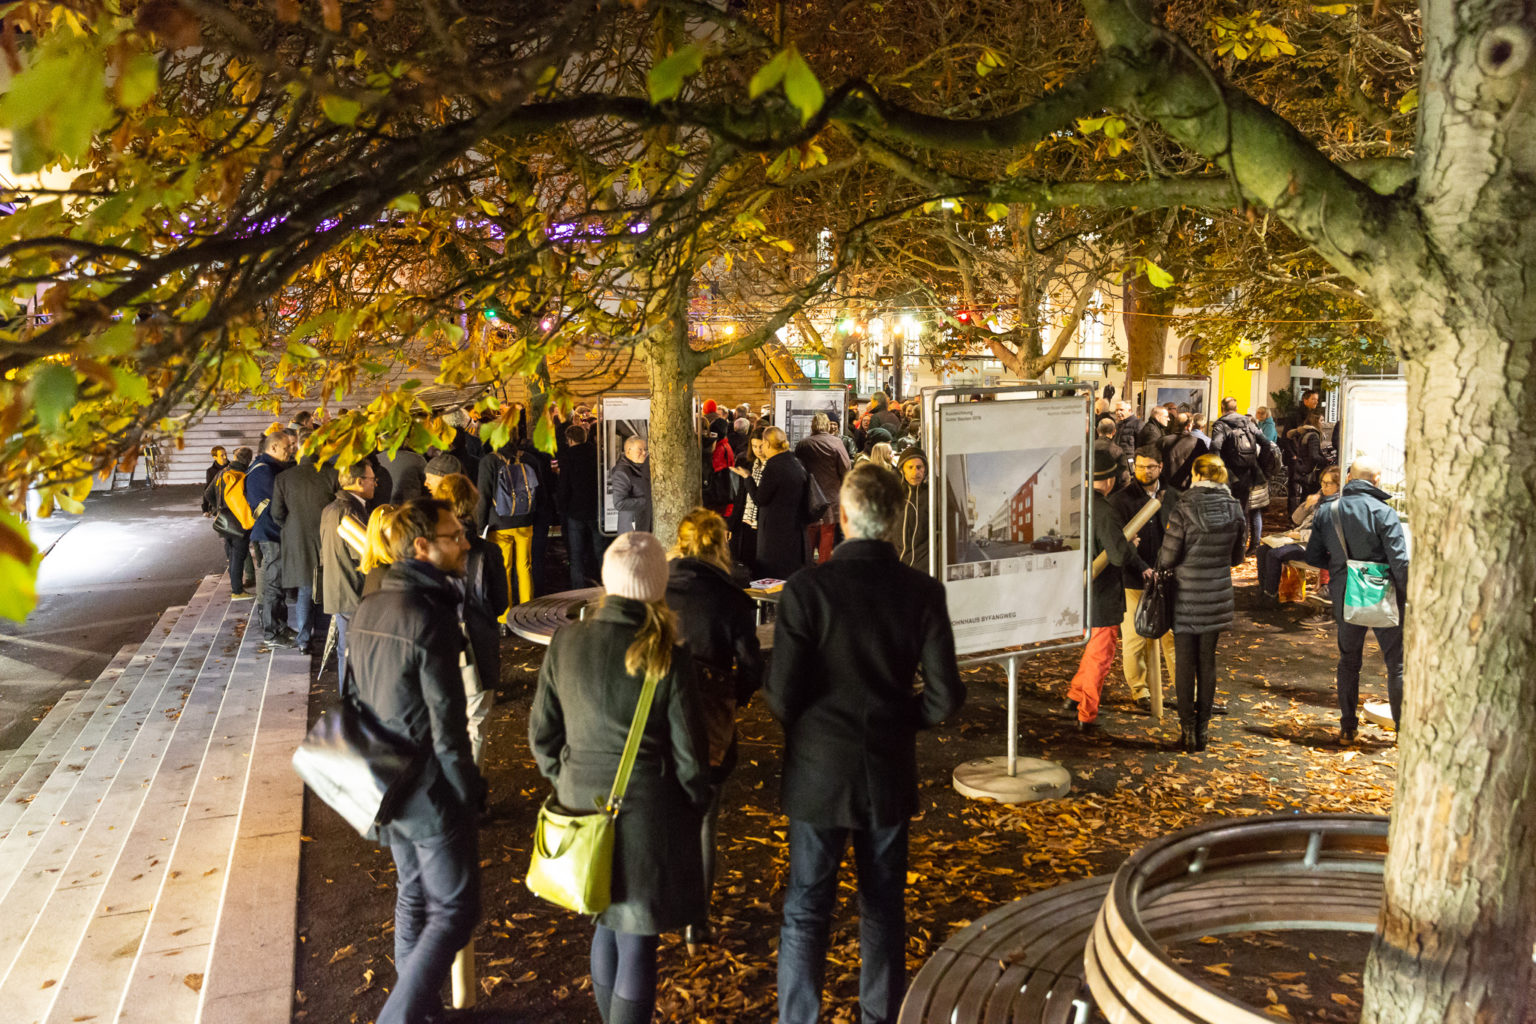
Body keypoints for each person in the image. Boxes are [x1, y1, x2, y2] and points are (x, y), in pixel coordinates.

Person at [766, 464, 965, 1024]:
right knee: (882, 907)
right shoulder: (921, 592)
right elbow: (945, 696)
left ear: (844, 517)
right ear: (898, 520)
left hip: (816, 771)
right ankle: (880, 1016)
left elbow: (780, 695)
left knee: (806, 909)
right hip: (886, 766)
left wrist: (813, 728)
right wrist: (902, 718)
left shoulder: (807, 589)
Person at [529, 532, 710, 1024]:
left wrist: (565, 779)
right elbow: (691, 754)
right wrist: (694, 803)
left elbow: (542, 736)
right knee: (635, 940)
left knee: (604, 924)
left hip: (578, 804)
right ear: (659, 585)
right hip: (645, 815)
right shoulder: (667, 652)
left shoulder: (567, 640)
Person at [349, 498, 483, 1024]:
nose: (466, 542)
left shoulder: (372, 604)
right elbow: (448, 725)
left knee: (413, 897)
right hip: (427, 789)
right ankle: (401, 1017)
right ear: (422, 547)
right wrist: (467, 790)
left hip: (384, 781)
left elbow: (358, 694)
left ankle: (419, 1011)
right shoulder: (429, 617)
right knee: (455, 907)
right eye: (455, 536)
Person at [665, 509, 763, 952]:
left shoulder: (656, 588)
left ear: (681, 543)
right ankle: (696, 921)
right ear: (720, 545)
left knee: (658, 812)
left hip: (655, 713)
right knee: (705, 819)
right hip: (709, 718)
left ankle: (658, 903)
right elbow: (751, 665)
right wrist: (735, 695)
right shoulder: (733, 599)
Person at [1304, 457, 1409, 742]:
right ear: (1376, 480)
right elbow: (1400, 563)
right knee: (1396, 665)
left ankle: (1348, 727)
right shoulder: (1384, 513)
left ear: (1349, 478)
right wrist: (1407, 597)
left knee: (1349, 662)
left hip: (1346, 593)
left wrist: (1340, 565)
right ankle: (1402, 732)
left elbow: (1312, 556)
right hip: (1384, 594)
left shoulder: (1328, 512)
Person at [1156, 454, 1246, 752]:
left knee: (1184, 662)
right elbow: (1237, 558)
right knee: (1208, 661)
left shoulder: (1184, 506)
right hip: (1217, 594)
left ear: (1196, 474)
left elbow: (1168, 557)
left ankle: (1187, 730)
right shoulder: (1234, 507)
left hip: (1185, 594)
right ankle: (1204, 730)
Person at [1063, 449, 1152, 732]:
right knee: (1101, 656)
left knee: (1093, 650)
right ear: (1111, 480)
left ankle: (1073, 697)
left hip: (1079, 591)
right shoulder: (1104, 510)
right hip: (1103, 594)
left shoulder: (1073, 505)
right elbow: (1116, 557)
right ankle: (1086, 714)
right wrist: (1131, 546)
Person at [432, 473, 508, 763]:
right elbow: (501, 603)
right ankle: (468, 796)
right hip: (477, 641)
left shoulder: (425, 547)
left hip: (437, 644)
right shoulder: (487, 552)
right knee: (475, 723)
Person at [1111, 446, 1176, 713]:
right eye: (1139, 466)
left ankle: (1184, 690)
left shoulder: (1172, 497)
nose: (1144, 471)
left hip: (1167, 579)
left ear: (1160, 467)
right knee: (1135, 638)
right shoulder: (1121, 500)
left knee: (1172, 637)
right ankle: (1140, 690)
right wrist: (1140, 566)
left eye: (1150, 466)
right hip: (1133, 580)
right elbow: (1119, 542)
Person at [271, 439, 337, 653]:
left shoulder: (284, 477)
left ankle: (303, 639)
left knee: (305, 589)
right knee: (327, 587)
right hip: (327, 537)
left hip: (298, 540)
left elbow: (277, 513)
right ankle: (326, 636)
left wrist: (291, 528)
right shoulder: (332, 474)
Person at [319, 461, 376, 675]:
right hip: (352, 588)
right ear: (359, 482)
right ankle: (351, 702)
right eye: (372, 480)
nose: (375, 484)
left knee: (347, 650)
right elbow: (363, 553)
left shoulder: (331, 507)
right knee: (352, 653)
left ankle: (349, 700)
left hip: (338, 585)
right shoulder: (351, 510)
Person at [731, 426, 808, 580]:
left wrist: (747, 478)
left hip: (774, 533)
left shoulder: (773, 466)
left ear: (767, 444)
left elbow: (760, 499)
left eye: (762, 445)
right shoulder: (794, 462)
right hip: (792, 529)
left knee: (770, 575)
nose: (759, 449)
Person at [477, 435, 542, 616]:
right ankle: (528, 612)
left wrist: (480, 526)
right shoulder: (529, 459)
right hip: (525, 521)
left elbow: (483, 495)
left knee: (503, 568)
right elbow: (540, 490)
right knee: (525, 567)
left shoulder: (488, 461)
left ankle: (505, 616)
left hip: (499, 523)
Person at [1209, 396, 1280, 554]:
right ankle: (1249, 547)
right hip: (1252, 474)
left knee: (1233, 511)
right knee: (1252, 511)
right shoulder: (1248, 423)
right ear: (1236, 408)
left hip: (1231, 475)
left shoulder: (1221, 424)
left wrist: (1219, 470)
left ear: (1222, 408)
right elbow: (1266, 443)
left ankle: (1235, 548)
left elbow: (1215, 446)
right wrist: (1258, 463)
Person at [1257, 465, 1340, 598]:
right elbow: (1296, 519)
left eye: (1328, 484)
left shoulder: (1337, 505)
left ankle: (1270, 594)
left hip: (1314, 545)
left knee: (1274, 554)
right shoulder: (1320, 498)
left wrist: (1301, 535)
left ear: (1338, 486)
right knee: (1262, 550)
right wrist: (1307, 505)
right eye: (1322, 482)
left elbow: (1327, 535)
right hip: (1298, 538)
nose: (1324, 487)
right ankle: (1263, 589)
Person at [246, 430, 296, 647]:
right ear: (273, 447)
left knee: (278, 584)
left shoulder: (269, 469)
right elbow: (280, 502)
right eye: (287, 448)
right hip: (270, 535)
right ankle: (272, 633)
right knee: (273, 585)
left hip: (275, 534)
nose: (290, 451)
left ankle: (281, 626)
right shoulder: (262, 472)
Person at [795, 412, 852, 565]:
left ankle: (806, 565)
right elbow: (846, 467)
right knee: (828, 532)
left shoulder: (803, 444)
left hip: (809, 494)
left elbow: (798, 468)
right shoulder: (836, 442)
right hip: (831, 494)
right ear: (827, 425)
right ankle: (823, 566)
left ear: (812, 426)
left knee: (810, 531)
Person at [557, 423, 603, 589]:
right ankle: (604, 586)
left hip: (575, 510)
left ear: (569, 440)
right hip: (597, 508)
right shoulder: (597, 453)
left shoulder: (568, 457)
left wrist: (562, 507)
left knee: (576, 555)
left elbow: (564, 486)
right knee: (600, 552)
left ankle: (578, 589)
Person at [206, 446, 255, 599]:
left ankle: (236, 587)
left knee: (232, 555)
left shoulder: (222, 472)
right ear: (248, 460)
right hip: (239, 522)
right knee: (239, 556)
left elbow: (208, 493)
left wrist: (219, 508)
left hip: (224, 521)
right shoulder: (242, 475)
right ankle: (237, 591)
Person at [608, 434, 653, 534]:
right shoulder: (622, 472)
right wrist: (648, 501)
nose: (644, 452)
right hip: (632, 529)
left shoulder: (642, 466)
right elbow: (619, 503)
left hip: (643, 524)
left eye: (645, 449)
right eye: (640, 449)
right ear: (628, 451)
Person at [894, 448, 930, 572]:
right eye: (910, 467)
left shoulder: (932, 495)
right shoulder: (892, 494)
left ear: (925, 469)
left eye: (919, 467)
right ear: (902, 470)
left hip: (922, 567)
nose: (916, 472)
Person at [1286, 411, 1328, 513]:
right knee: (1310, 499)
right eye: (1321, 420)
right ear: (1315, 421)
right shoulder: (1313, 435)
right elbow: (1314, 456)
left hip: (1303, 470)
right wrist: (1325, 461)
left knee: (1305, 497)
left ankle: (1298, 519)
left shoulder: (1305, 434)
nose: (1323, 423)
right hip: (1311, 472)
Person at [201, 446, 228, 515]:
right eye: (222, 455)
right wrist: (205, 509)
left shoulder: (233, 468)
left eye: (226, 454)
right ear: (215, 457)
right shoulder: (211, 471)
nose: (225, 457)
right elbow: (207, 490)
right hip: (218, 506)